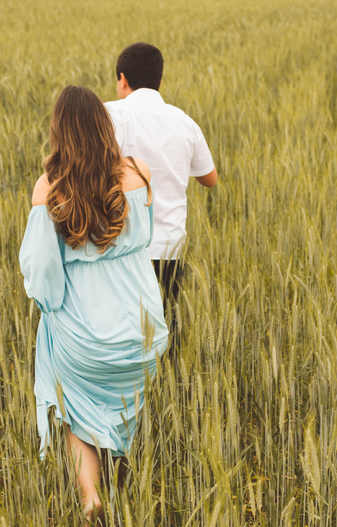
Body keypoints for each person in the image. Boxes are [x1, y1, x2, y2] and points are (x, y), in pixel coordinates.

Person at [19, 85, 168, 521]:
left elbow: (44, 277)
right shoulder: (138, 171)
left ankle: (91, 496)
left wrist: (52, 312)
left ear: (58, 130)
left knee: (64, 386)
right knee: (124, 398)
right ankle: (123, 471)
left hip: (86, 343)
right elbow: (145, 236)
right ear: (105, 125)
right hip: (141, 332)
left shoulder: (50, 189)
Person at [104, 42, 217, 346]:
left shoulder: (109, 114)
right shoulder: (184, 121)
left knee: (125, 337)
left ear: (122, 79)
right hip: (169, 250)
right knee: (166, 330)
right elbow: (210, 178)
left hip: (122, 248)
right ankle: (170, 390)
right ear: (160, 81)